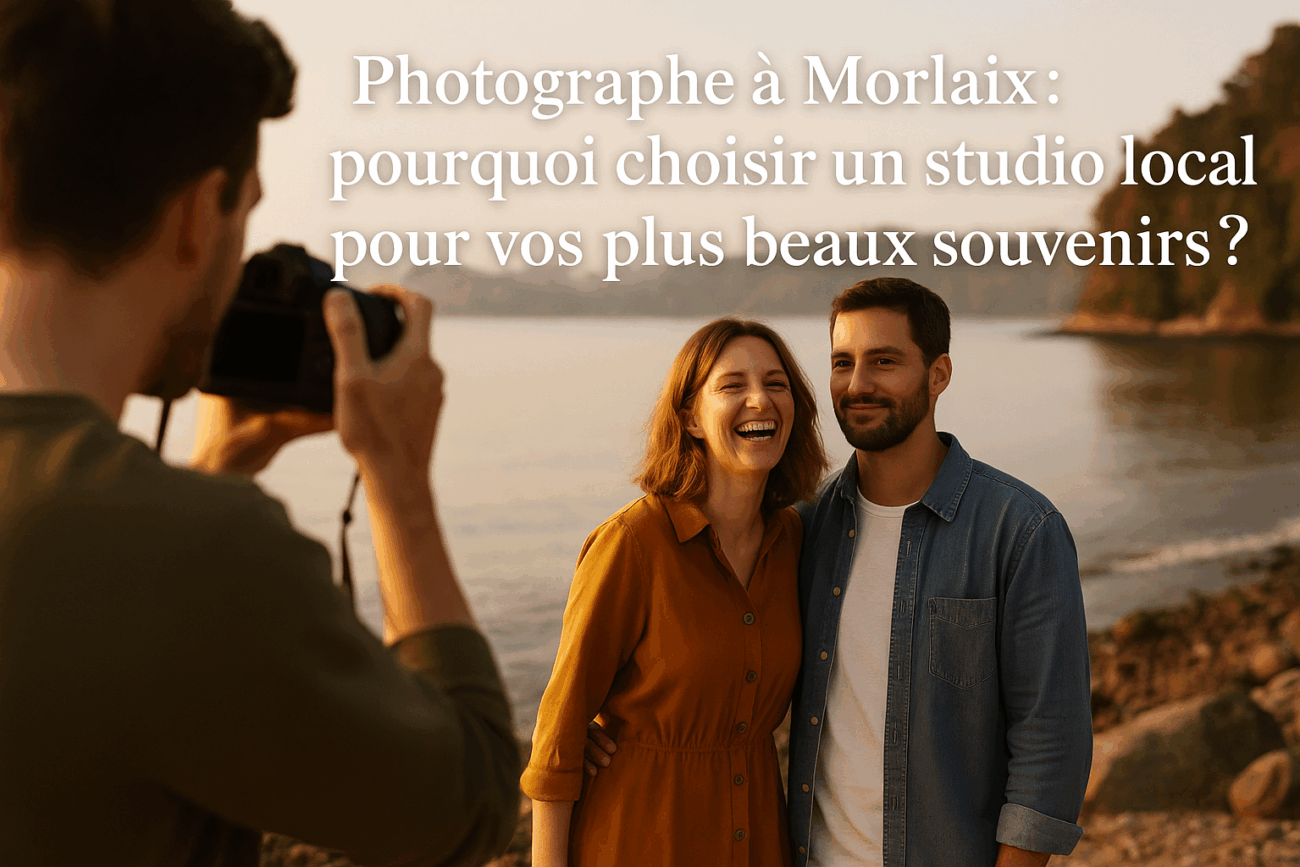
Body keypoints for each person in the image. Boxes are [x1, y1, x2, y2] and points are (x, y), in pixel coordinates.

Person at [0, 2, 518, 866]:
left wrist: (217, 466)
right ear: (201, 213)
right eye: (246, 212)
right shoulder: (196, 553)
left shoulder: (139, 540)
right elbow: (471, 802)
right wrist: (397, 477)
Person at [786, 277, 1092, 867]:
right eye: (843, 363)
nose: (857, 384)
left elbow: (1052, 739)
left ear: (938, 374)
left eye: (884, 361)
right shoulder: (807, 525)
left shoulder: (1020, 530)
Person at [523, 318, 829, 867]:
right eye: (732, 385)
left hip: (758, 842)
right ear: (690, 417)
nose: (759, 400)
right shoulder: (634, 544)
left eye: (776, 384)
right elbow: (558, 739)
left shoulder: (795, 541)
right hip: (636, 842)